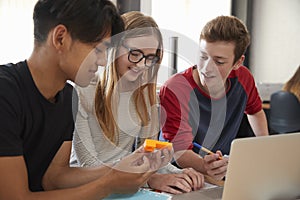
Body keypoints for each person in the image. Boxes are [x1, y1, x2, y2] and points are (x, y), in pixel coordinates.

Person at [0, 1, 172, 199]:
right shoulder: (5, 92)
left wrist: (122, 168)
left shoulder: (66, 97)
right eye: (98, 49)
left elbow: (55, 178)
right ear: (60, 38)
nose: (102, 61)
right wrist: (108, 183)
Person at [71, 11, 204, 194]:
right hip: (85, 188)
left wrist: (181, 173)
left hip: (125, 184)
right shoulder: (84, 91)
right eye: (135, 54)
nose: (142, 65)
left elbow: (149, 158)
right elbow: (87, 165)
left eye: (151, 58)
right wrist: (149, 179)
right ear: (115, 48)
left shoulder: (145, 97)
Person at [159, 15, 269, 181]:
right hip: (180, 173)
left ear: (238, 62)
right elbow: (180, 152)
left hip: (219, 171)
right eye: (203, 56)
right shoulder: (175, 89)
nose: (207, 68)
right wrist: (207, 166)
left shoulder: (244, 78)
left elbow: (255, 111)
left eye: (219, 62)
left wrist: (265, 147)